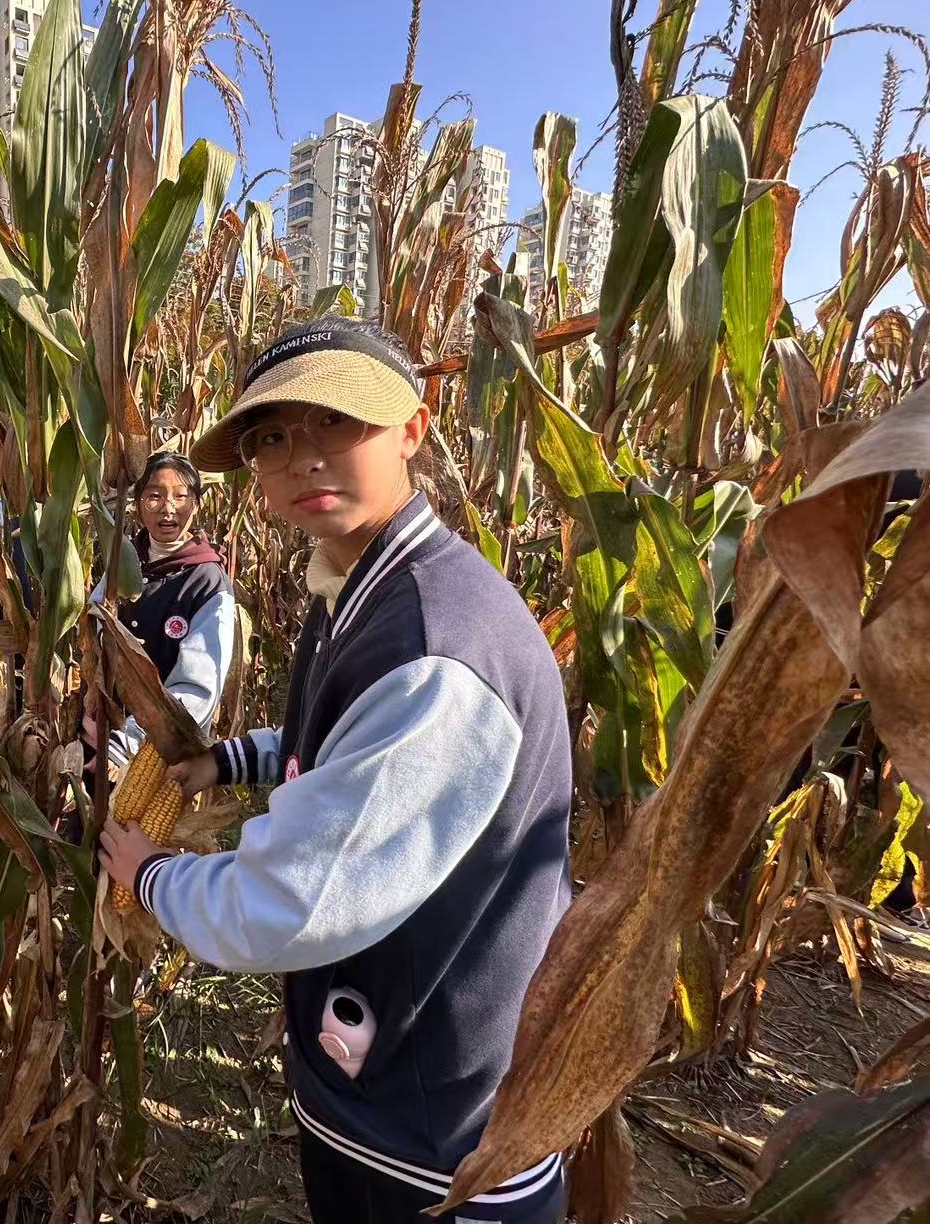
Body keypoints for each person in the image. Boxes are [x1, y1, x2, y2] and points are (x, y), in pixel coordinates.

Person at [100, 318, 572, 1223]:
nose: (300, 459)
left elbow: (290, 904)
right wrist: (226, 760)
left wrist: (152, 877)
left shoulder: (435, 647)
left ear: (412, 429)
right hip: (392, 1080)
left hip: (437, 1141)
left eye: (335, 423)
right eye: (270, 438)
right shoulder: (354, 580)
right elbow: (341, 741)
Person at [87, 450, 236, 772]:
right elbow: (93, 629)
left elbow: (198, 687)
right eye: (154, 496)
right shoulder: (123, 561)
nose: (168, 508)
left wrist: (130, 741)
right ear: (138, 503)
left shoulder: (208, 581)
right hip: (100, 734)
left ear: (195, 505)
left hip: (161, 752)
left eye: (181, 497)